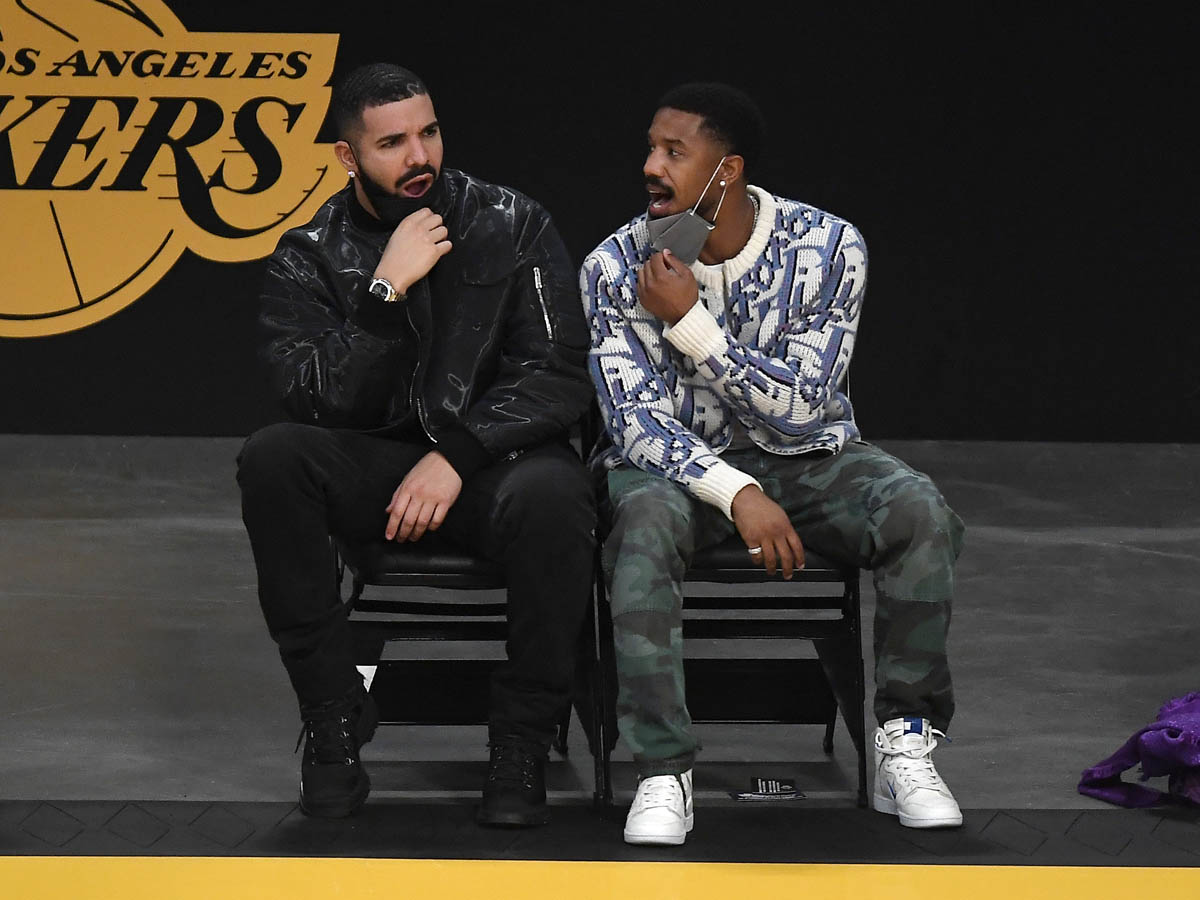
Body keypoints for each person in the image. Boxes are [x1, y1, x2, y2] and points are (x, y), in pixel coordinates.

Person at [580, 82, 966, 845]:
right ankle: (663, 769)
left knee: (917, 510)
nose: (651, 166)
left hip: (807, 458)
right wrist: (738, 492)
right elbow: (635, 424)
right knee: (642, 526)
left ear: (726, 171)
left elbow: (803, 407)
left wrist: (691, 325)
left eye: (673, 152)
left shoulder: (827, 247)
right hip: (674, 470)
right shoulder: (615, 265)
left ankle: (905, 741)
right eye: (651, 148)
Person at [236, 62, 596, 827]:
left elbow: (558, 374)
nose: (419, 156)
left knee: (559, 492)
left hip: (494, 465)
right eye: (392, 143)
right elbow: (311, 398)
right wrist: (384, 292)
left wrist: (457, 455)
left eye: (428, 133)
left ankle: (522, 740)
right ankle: (334, 717)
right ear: (348, 156)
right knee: (273, 458)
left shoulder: (512, 222)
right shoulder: (310, 252)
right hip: (375, 471)